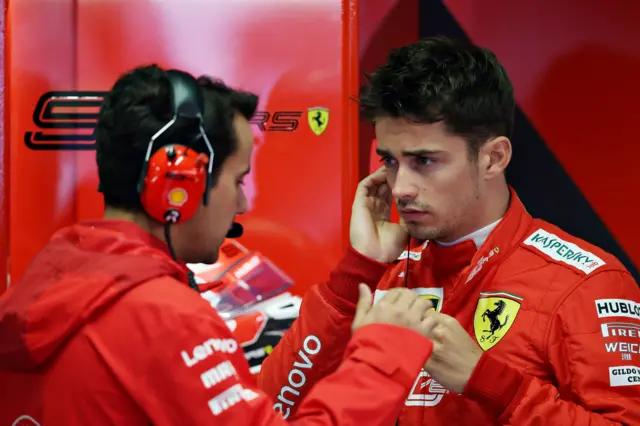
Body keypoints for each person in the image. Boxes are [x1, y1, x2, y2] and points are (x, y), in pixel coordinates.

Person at [0, 65, 437, 425]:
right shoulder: (158, 314)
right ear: (178, 183)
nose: (244, 202)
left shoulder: (49, 282)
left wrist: (357, 274)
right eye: (238, 179)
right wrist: (383, 354)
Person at [258, 37, 640, 425]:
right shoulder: (380, 273)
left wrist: (489, 382)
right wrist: (356, 273)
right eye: (390, 160)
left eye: (424, 160)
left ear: (494, 157)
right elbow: (272, 412)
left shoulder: (584, 283)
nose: (401, 187)